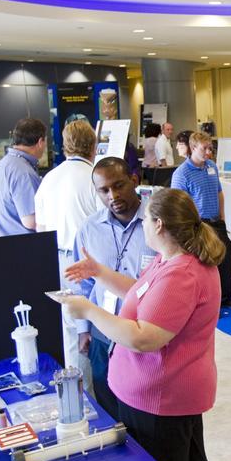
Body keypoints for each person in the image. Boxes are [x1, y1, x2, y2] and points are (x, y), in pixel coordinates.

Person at [61, 188, 225, 461]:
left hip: (161, 397)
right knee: (191, 460)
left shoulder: (182, 275)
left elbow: (143, 338)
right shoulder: (171, 260)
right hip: (167, 394)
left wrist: (89, 312)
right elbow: (141, 293)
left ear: (160, 224)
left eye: (146, 220)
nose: (143, 226)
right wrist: (99, 272)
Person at [68, 157, 152, 410]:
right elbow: (80, 284)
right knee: (106, 400)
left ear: (134, 181)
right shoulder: (89, 229)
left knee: (140, 406)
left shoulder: (156, 223)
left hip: (143, 331)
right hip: (102, 331)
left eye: (119, 186)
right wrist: (83, 328)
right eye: (104, 190)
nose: (112, 195)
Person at [35, 119, 100, 377]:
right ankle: (98, 397)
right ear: (93, 146)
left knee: (70, 330)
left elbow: (40, 228)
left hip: (58, 261)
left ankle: (78, 392)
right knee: (93, 327)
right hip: (88, 263)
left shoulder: (48, 179)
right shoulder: (94, 179)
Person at [172, 131, 231, 309]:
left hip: (217, 221)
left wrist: (223, 217)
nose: (208, 152)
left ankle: (226, 296)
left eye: (210, 148)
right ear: (193, 148)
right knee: (206, 265)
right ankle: (209, 303)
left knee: (226, 255)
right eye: (205, 148)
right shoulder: (182, 174)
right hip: (199, 225)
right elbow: (178, 205)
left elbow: (219, 192)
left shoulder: (211, 166)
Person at [0, 117, 46, 236]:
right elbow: (31, 221)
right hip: (26, 247)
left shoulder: (2, 165)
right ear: (40, 142)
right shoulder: (24, 173)